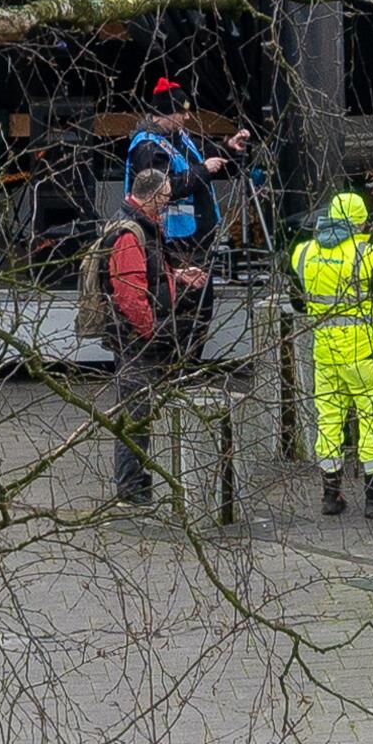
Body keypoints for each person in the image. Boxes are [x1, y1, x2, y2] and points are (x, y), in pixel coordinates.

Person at [290, 192, 373, 519]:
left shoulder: (303, 252)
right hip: (366, 355)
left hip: (325, 353)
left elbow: (298, 303)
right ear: (362, 222)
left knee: (329, 421)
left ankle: (331, 496)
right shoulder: (370, 255)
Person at [102, 169, 207, 506]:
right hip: (135, 340)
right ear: (148, 197)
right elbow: (131, 295)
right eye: (162, 199)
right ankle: (131, 487)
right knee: (135, 415)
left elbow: (144, 277)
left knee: (139, 413)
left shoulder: (136, 226)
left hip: (134, 336)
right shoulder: (130, 234)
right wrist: (152, 332)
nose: (165, 205)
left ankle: (136, 481)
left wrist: (176, 277)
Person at [125, 78, 250, 359]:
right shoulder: (148, 148)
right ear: (166, 112)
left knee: (200, 311)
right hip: (174, 243)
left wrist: (228, 149)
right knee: (185, 311)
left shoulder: (178, 138)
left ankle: (187, 368)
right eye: (182, 111)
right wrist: (203, 170)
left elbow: (205, 161)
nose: (187, 116)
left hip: (193, 241)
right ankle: (177, 369)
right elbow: (163, 189)